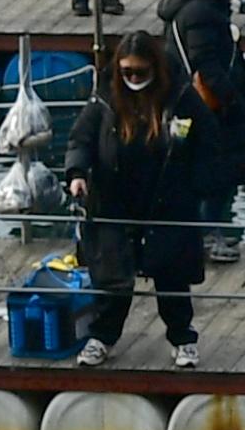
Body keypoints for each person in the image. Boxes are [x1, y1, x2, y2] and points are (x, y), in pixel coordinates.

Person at [64, 34, 208, 367]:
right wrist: (77, 174)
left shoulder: (181, 96)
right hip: (114, 197)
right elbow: (81, 138)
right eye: (127, 71)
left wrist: (197, 183)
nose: (133, 78)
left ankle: (183, 338)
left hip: (167, 197)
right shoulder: (105, 98)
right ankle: (103, 336)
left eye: (140, 71)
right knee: (113, 274)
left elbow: (209, 140)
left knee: (172, 275)